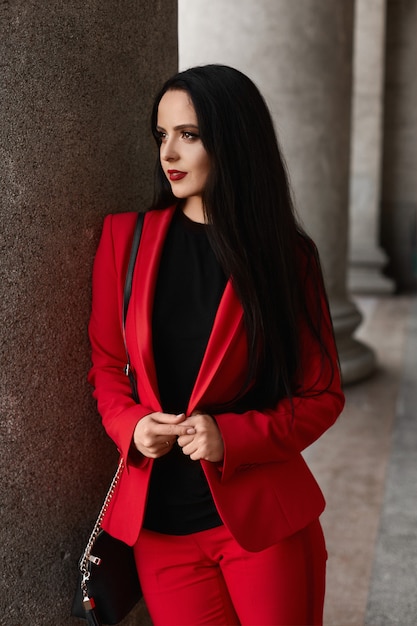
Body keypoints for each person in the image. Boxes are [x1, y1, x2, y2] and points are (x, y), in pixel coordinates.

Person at [88, 64, 345, 626]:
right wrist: (131, 425)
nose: (169, 154)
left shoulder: (287, 258)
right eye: (162, 136)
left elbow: (321, 393)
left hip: (259, 524)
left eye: (189, 135)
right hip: (160, 532)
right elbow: (108, 366)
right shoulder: (123, 241)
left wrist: (230, 436)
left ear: (231, 140)